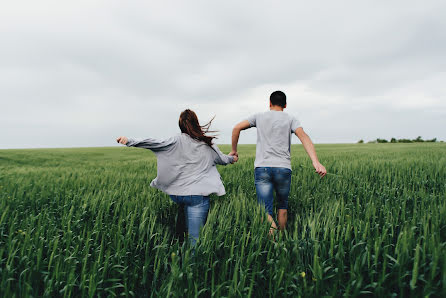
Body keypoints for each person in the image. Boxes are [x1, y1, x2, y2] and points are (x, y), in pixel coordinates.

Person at [116, 109, 237, 246]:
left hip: (177, 194)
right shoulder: (207, 143)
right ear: (196, 123)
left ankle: (179, 242)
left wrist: (129, 141)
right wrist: (232, 158)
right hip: (197, 196)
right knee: (195, 241)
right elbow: (222, 159)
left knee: (183, 214)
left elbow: (153, 142)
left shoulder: (174, 140)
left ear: (181, 125)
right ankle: (190, 261)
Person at [230, 90, 326, 234]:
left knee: (265, 210)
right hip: (283, 169)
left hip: (263, 169)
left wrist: (234, 150)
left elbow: (236, 127)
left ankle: (274, 242)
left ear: (269, 103)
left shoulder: (259, 117)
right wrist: (316, 162)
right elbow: (304, 137)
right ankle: (282, 241)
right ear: (285, 105)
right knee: (283, 206)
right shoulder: (291, 119)